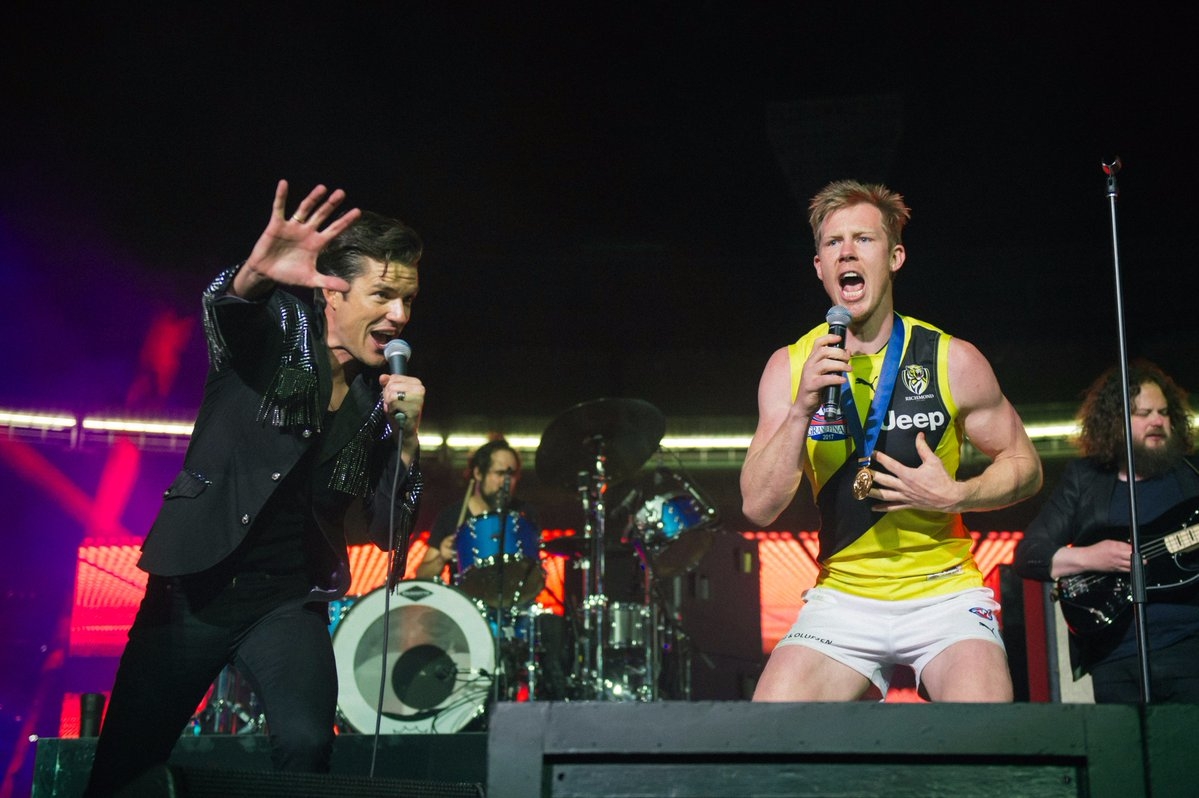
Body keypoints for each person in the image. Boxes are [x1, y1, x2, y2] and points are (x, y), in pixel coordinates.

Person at [85, 181, 426, 796]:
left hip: (288, 599)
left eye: (407, 300)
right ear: (332, 291)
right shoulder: (280, 329)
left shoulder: (381, 406)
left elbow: (387, 534)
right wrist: (253, 276)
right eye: (383, 295)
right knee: (127, 764)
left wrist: (407, 442)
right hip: (195, 586)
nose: (400, 316)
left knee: (306, 743)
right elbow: (230, 312)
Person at [741, 179, 1042, 703]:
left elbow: (1026, 465)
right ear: (819, 267)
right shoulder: (789, 367)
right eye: (833, 243)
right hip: (843, 598)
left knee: (984, 722)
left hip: (944, 592)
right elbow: (758, 507)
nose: (847, 252)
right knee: (773, 725)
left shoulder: (952, 359)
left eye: (864, 239)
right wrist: (800, 412)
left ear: (895, 257)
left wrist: (958, 495)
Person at [1013, 360, 1199, 702]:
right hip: (1113, 657)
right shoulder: (1086, 480)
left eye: (1163, 412)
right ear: (1115, 422)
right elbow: (1029, 556)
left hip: (1188, 646)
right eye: (1143, 413)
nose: (1157, 421)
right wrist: (1091, 557)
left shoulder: (1190, 477)